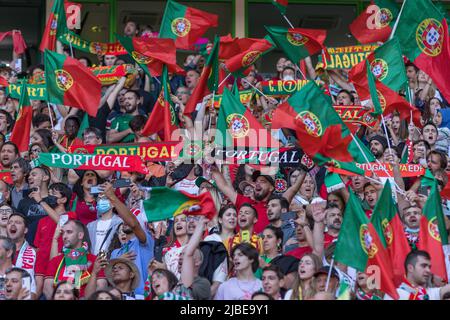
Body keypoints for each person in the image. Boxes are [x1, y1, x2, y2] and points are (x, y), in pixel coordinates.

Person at [43, 220, 107, 299]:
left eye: (69, 232)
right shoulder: (56, 260)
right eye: (63, 233)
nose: (64, 236)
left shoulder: (95, 260)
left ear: (80, 235)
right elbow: (47, 288)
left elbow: (101, 286)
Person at [385, 250, 450, 300]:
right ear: (410, 268)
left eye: (429, 267)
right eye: (423, 266)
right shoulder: (394, 296)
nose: (428, 270)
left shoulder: (429, 292)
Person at [17, 166, 52, 244]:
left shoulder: (54, 200)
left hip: (49, 246)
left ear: (45, 178)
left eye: (34, 175)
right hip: (28, 247)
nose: (29, 177)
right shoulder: (23, 202)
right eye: (29, 175)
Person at [7, 213, 36, 284]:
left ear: (25, 230)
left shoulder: (35, 253)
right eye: (10, 222)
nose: (12, 224)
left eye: (17, 222)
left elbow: (38, 284)